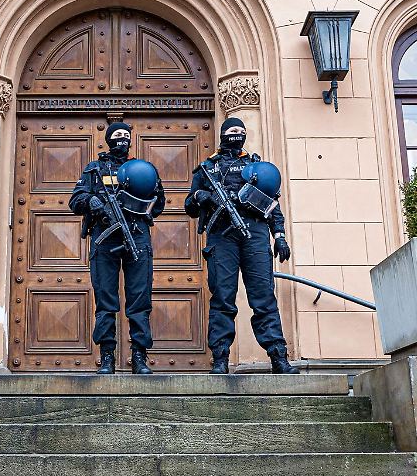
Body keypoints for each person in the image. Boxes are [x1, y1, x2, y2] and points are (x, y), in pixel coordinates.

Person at [184, 117, 299, 375]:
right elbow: (189, 206)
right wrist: (203, 196)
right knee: (223, 298)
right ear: (223, 134)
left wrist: (279, 235)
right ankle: (221, 358)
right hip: (221, 236)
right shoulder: (207, 169)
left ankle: (279, 358)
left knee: (264, 298)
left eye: (241, 130)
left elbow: (272, 205)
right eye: (232, 130)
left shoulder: (256, 165)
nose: (238, 134)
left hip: (255, 233)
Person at [69, 121, 166, 374]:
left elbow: (159, 205)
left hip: (137, 236)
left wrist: (145, 196)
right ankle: (107, 356)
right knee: (106, 299)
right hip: (105, 236)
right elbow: (75, 199)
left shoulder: (144, 169)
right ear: (108, 139)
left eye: (126, 135)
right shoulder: (95, 169)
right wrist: (93, 201)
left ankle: (139, 356)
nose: (122, 138)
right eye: (117, 135)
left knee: (140, 299)